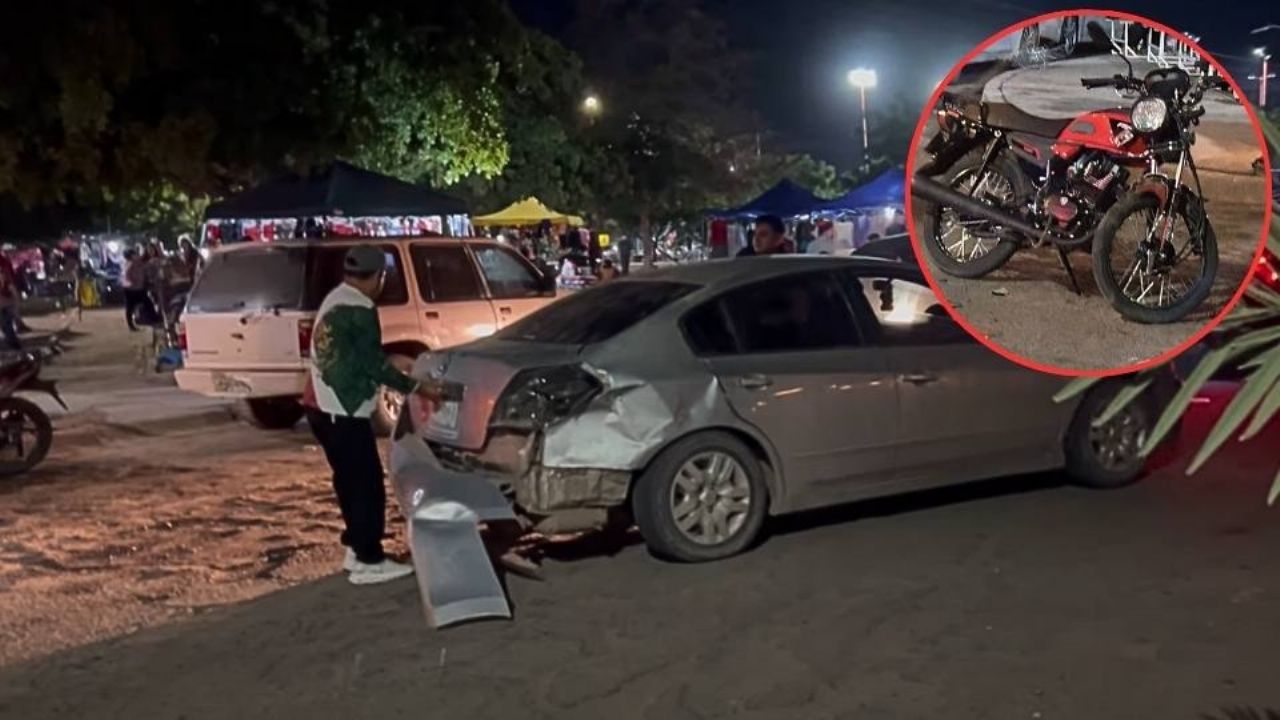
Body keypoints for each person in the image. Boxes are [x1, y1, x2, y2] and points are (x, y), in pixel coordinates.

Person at [304, 245, 447, 585]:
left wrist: (393, 365)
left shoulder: (335, 298)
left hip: (321, 407)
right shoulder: (360, 307)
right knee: (366, 485)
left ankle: (356, 548)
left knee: (349, 481)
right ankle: (369, 559)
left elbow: (356, 354)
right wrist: (418, 388)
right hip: (343, 408)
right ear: (378, 277)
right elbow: (371, 365)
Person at [121, 248, 147, 331]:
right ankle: (131, 324)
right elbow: (127, 276)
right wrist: (134, 281)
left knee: (133, 306)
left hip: (135, 287)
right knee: (130, 306)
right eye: (134, 254)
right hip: (131, 288)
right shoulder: (130, 264)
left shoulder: (136, 263)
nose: (137, 255)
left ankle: (134, 322)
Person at [0, 254, 22, 351]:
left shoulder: (5, 277)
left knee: (7, 326)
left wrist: (16, 305)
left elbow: (13, 290)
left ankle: (15, 346)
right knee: (6, 327)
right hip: (5, 304)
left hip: (6, 304)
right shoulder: (5, 274)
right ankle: (14, 346)